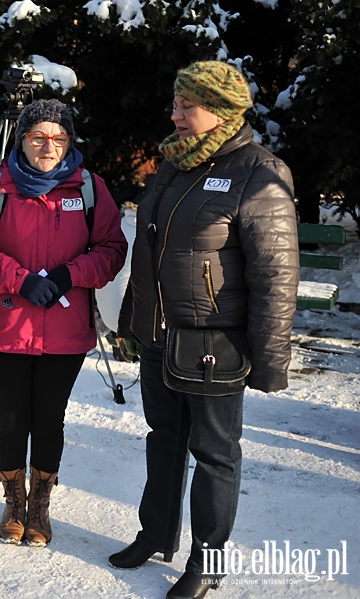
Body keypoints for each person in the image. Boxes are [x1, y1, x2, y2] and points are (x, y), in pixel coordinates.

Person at [109, 61, 299, 599]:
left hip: (215, 340)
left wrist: (270, 357)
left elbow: (276, 272)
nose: (175, 115)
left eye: (185, 106)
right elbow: (150, 250)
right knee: (162, 440)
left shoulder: (259, 171)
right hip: (161, 334)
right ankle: (155, 534)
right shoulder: (174, 165)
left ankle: (207, 561)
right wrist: (134, 320)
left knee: (215, 454)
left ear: (220, 110)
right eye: (175, 104)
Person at [0, 99, 127, 546]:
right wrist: (19, 280)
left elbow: (111, 248)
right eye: (38, 137)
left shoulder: (89, 188)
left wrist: (72, 274)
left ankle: (40, 504)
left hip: (65, 329)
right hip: (7, 326)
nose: (48, 146)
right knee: (11, 420)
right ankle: (13, 500)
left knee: (49, 420)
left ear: (69, 141)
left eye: (58, 137)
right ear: (23, 139)